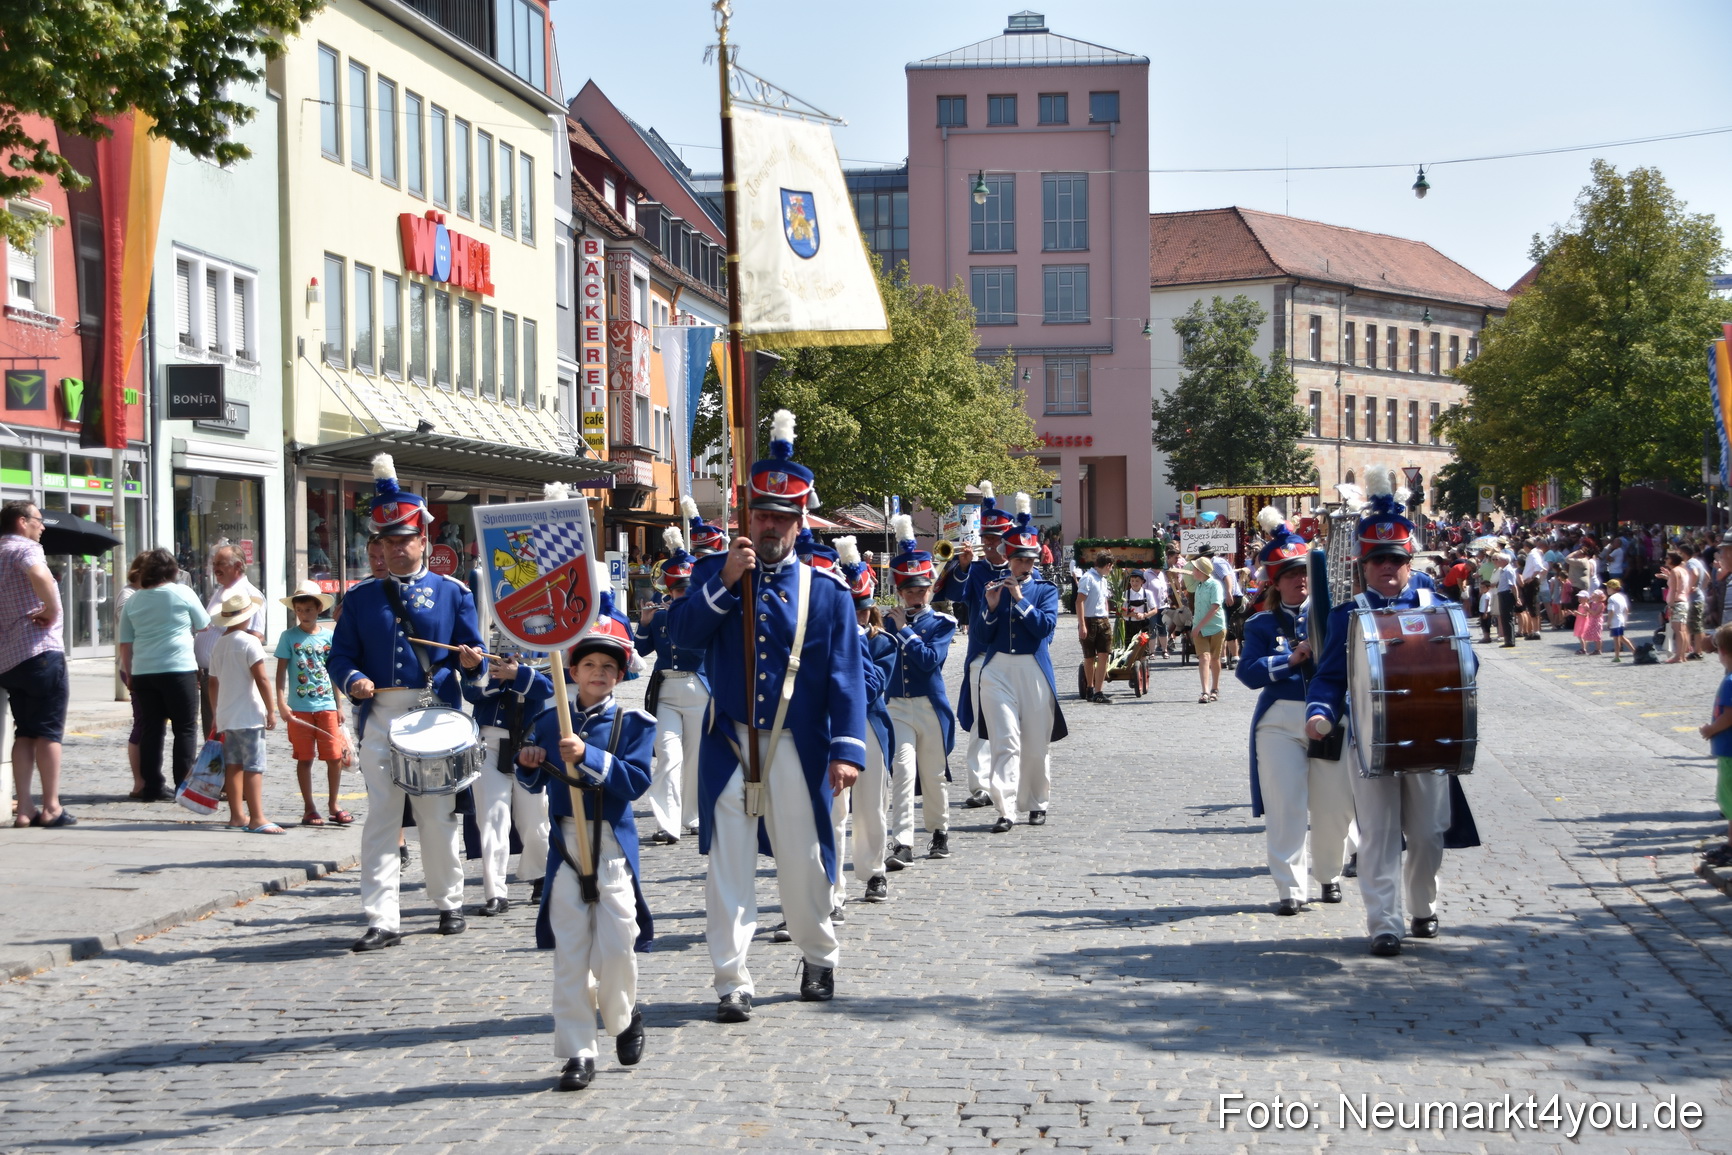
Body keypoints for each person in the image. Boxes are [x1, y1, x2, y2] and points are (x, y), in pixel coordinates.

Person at [667, 410, 866, 1021]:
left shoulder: (826, 592)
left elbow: (844, 675)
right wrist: (726, 582)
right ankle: (732, 979)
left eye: (783, 517)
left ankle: (818, 953)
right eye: (762, 514)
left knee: (804, 861)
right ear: (746, 515)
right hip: (730, 741)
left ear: (800, 519)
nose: (771, 526)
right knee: (726, 865)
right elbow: (679, 643)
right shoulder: (714, 575)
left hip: (798, 744)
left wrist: (847, 747)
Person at [1305, 466, 1477, 958]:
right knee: (1379, 837)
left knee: (1426, 835)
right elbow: (1331, 677)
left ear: (1409, 561)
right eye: (1377, 559)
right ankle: (1384, 922)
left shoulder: (1437, 606)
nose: (1386, 567)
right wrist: (1320, 713)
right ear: (1363, 564)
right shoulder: (1349, 615)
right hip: (1370, 742)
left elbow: (1466, 662)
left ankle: (1423, 906)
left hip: (1428, 736)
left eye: (1395, 559)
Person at [328, 454, 486, 952]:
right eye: (386, 542)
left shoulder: (452, 593)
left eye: (404, 541)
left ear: (424, 541)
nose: (395, 550)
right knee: (382, 818)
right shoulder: (359, 599)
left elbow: (475, 660)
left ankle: (448, 900)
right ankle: (382, 917)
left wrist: (469, 661)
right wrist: (353, 679)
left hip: (434, 715)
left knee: (437, 817)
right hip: (381, 716)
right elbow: (341, 655)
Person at [515, 617, 655, 1092]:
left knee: (618, 948)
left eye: (607, 666)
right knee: (571, 954)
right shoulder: (549, 719)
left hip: (611, 843)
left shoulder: (634, 724)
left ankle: (623, 1015)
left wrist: (589, 757)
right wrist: (529, 762)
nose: (598, 672)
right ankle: (577, 1050)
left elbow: (635, 782)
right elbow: (531, 780)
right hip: (565, 845)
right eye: (589, 663)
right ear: (572, 670)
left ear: (620, 675)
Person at [1236, 507, 1354, 914]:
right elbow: (1248, 674)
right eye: (1289, 573)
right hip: (1279, 721)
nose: (1299, 579)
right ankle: (1290, 888)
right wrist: (1288, 661)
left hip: (1328, 718)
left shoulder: (1336, 618)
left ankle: (1329, 873)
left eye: (1303, 571)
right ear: (1275, 581)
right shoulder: (1261, 625)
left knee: (1334, 806)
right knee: (1285, 804)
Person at [975, 497, 1067, 833]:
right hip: (998, 669)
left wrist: (1019, 599)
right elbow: (983, 635)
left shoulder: (1045, 590)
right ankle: (1005, 808)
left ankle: (1037, 802)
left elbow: (1043, 628)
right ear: (1008, 560)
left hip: (1033, 668)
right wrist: (990, 606)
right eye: (1017, 560)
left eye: (1028, 560)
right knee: (1005, 740)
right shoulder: (995, 587)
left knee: (1034, 742)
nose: (1023, 565)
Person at [881, 519, 956, 879]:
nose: (916, 595)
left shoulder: (942, 623)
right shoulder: (885, 621)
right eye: (909, 590)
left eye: (921, 589)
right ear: (900, 590)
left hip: (929, 705)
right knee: (902, 771)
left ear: (930, 588)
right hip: (896, 705)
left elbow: (929, 661)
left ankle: (939, 831)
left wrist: (905, 630)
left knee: (934, 773)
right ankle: (903, 843)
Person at [936, 482, 1015, 810]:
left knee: (1011, 726)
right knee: (981, 723)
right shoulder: (976, 568)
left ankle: (1008, 784)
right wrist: (964, 567)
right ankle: (979, 785)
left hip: (1012, 656)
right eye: (986, 538)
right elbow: (953, 597)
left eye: (995, 539)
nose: (988, 544)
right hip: (981, 654)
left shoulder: (1019, 569)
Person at [463, 639, 553, 913]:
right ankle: (495, 893)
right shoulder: (484, 641)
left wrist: (519, 675)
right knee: (491, 819)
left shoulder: (544, 639)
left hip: (531, 744)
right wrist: (482, 671)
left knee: (534, 819)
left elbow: (549, 687)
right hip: (490, 743)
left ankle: (541, 875)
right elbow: (471, 693)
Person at [117, 548, 209, 803]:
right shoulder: (182, 592)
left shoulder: (134, 599)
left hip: (145, 671)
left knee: (151, 730)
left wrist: (130, 673)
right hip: (179, 668)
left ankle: (152, 786)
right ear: (172, 571)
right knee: (185, 728)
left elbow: (125, 642)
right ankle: (183, 783)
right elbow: (203, 623)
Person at [636, 525, 709, 845]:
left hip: (701, 686)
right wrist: (646, 622)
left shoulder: (705, 608)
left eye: (685, 587)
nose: (679, 592)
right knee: (667, 755)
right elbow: (640, 651)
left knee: (695, 759)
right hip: (666, 689)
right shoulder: (659, 605)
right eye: (675, 587)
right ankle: (667, 822)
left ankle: (692, 816)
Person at [835, 536, 897, 904]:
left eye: (863, 610)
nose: (858, 617)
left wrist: (853, 641)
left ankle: (874, 872)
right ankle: (832, 890)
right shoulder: (826, 639)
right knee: (834, 810)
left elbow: (872, 687)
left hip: (869, 725)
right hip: (834, 730)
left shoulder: (881, 642)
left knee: (871, 805)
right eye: (851, 610)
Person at [1, 500, 71, 826]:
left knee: (25, 732)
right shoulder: (24, 549)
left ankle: (25, 807)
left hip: (10, 659)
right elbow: (39, 573)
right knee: (48, 733)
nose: (42, 526)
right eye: (38, 520)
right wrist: (52, 609)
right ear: (21, 522)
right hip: (40, 650)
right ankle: (52, 806)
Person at [274, 581, 350, 827]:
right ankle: (309, 807)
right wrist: (281, 702)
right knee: (304, 758)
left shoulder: (329, 637)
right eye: (300, 610)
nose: (304, 614)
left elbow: (333, 673)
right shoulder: (288, 637)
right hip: (299, 708)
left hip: (326, 704)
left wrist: (339, 706)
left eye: (308, 609)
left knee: (334, 757)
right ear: (294, 610)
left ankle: (333, 804)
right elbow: (280, 672)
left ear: (319, 609)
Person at [208, 588, 280, 832]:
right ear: (246, 617)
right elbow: (261, 679)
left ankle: (237, 815)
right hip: (249, 714)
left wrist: (215, 713)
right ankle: (258, 816)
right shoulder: (250, 641)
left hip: (227, 715)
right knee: (253, 765)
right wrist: (271, 710)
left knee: (233, 765)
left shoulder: (219, 645)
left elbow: (212, 682)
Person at [193, 544, 265, 739]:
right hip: (211, 676)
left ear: (238, 566)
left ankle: (228, 769)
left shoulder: (250, 594)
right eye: (214, 563)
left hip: (229, 677)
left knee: (226, 736)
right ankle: (220, 769)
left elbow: (256, 636)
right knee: (213, 734)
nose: (215, 568)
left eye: (221, 564)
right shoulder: (222, 591)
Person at [1696, 623, 1732, 869]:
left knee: (1728, 799)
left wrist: (1711, 729)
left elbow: (1730, 715)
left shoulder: (1730, 681)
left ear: (1723, 653)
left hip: (1730, 750)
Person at [1076, 553, 1115, 704]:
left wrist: (1106, 614)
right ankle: (1090, 688)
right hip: (1089, 620)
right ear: (1107, 565)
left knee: (1104, 654)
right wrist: (1082, 624)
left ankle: (1099, 691)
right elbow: (1079, 601)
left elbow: (1104, 599)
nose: (1110, 570)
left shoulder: (1103, 579)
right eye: (1111, 567)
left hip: (1103, 620)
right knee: (1089, 657)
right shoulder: (1088, 578)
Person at [1189, 555, 1227, 703]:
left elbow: (1215, 607)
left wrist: (1198, 626)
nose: (1192, 571)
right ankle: (1205, 691)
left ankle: (1215, 688)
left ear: (1201, 571)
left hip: (1216, 627)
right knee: (1204, 658)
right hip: (1200, 629)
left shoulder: (1215, 585)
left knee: (1215, 659)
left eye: (1195, 568)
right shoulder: (1198, 586)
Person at [1663, 549, 1691, 664]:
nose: (1665, 560)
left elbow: (1674, 589)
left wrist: (1671, 605)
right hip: (1684, 601)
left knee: (1678, 630)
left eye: (1667, 558)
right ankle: (1682, 655)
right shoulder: (1683, 571)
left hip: (1677, 602)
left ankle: (1678, 656)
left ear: (1672, 560)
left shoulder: (1675, 571)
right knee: (1683, 630)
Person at [1495, 551, 1521, 649]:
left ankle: (1510, 641)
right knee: (1504, 618)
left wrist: (1517, 598)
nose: (1497, 562)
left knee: (1507, 618)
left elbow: (1513, 586)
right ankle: (1508, 640)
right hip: (1502, 593)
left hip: (1506, 594)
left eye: (1499, 560)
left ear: (1504, 561)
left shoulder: (1508, 570)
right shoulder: (1503, 570)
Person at [1604, 579, 1632, 662]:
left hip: (1615, 621)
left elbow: (1611, 611)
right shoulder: (1621, 597)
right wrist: (1625, 619)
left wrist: (1608, 621)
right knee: (1622, 637)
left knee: (1616, 639)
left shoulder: (1611, 599)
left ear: (1611, 588)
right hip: (1621, 619)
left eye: (1608, 587)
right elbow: (1626, 609)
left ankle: (1617, 656)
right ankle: (1634, 651)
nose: (1607, 589)